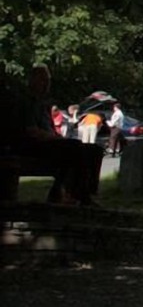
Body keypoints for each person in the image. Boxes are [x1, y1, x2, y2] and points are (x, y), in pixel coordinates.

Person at [1, 65, 103, 205]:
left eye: (47, 80)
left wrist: (56, 137)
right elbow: (32, 131)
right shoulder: (25, 102)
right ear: (32, 80)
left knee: (95, 150)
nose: (46, 84)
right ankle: (76, 193)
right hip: (30, 145)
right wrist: (55, 138)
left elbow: (49, 129)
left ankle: (85, 192)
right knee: (73, 148)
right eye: (42, 80)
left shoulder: (44, 104)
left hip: (47, 142)